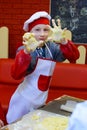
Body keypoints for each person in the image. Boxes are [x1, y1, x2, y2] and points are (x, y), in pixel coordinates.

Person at [6, 11, 80, 124]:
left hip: (41, 99)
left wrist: (64, 42)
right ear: (30, 32)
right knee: (17, 125)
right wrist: (25, 53)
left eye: (46, 29)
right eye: (37, 30)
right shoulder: (24, 49)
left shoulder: (52, 48)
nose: (42, 34)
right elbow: (16, 75)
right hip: (24, 100)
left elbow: (74, 57)